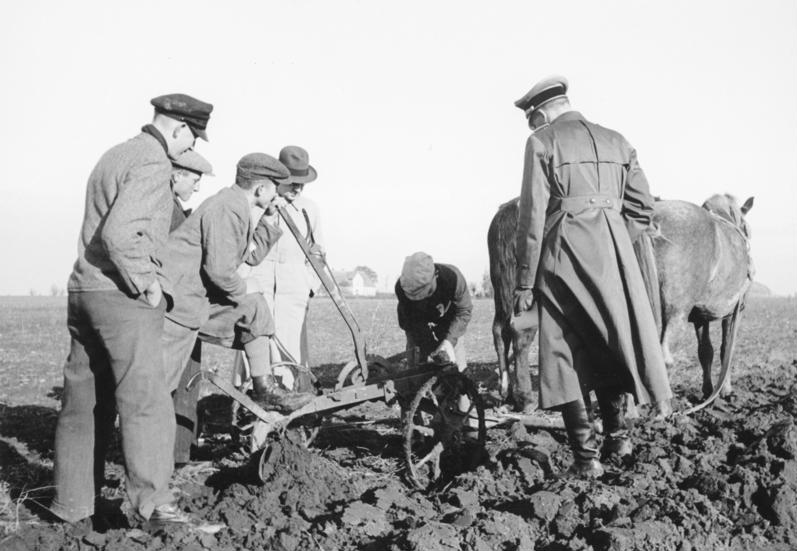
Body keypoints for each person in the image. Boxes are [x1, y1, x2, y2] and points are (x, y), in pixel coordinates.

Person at [53, 93, 214, 528]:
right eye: (191, 139)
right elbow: (122, 234)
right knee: (147, 401)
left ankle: (72, 507)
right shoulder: (154, 162)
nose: (190, 150)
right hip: (121, 297)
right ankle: (156, 507)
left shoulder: (115, 154)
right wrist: (148, 286)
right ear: (178, 128)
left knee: (83, 403)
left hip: (84, 290)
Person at [512, 76, 672, 477]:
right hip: (614, 259)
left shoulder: (542, 141)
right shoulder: (618, 140)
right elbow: (642, 209)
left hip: (562, 258)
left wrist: (525, 284)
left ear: (542, 113)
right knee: (610, 342)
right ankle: (618, 437)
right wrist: (613, 241)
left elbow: (532, 217)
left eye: (534, 120)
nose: (535, 128)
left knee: (563, 354)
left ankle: (586, 460)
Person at [158, 153, 315, 414]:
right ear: (261, 188)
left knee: (254, 308)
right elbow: (219, 271)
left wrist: (267, 218)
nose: (278, 193)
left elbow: (251, 255)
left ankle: (265, 389)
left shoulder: (239, 207)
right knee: (156, 389)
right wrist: (245, 287)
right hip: (176, 306)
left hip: (194, 300)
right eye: (275, 187)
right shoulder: (226, 208)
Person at [234, 145, 323, 382]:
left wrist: (309, 285)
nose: (298, 187)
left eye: (302, 182)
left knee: (291, 346)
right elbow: (243, 247)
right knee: (256, 341)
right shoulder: (258, 205)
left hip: (293, 291)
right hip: (259, 287)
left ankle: (294, 397)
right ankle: (252, 396)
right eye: (292, 180)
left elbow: (318, 251)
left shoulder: (309, 209)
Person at [166, 150, 213, 466]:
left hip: (180, 307)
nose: (196, 187)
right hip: (176, 311)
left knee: (186, 380)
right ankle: (176, 454)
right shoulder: (167, 212)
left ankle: (181, 449)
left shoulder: (173, 210)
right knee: (182, 380)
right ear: (177, 175)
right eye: (194, 180)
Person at [395, 252, 473, 371]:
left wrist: (448, 342)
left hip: (449, 321)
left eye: (425, 292)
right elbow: (408, 323)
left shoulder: (454, 279)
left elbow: (464, 311)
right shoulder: (401, 288)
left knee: (457, 370)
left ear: (435, 275)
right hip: (418, 323)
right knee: (415, 371)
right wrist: (429, 347)